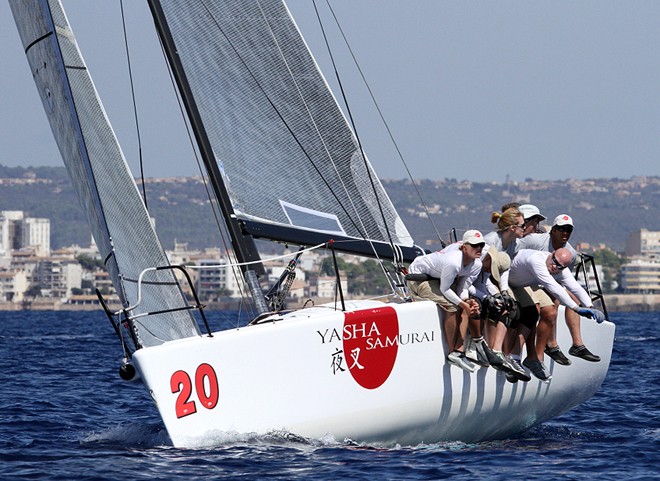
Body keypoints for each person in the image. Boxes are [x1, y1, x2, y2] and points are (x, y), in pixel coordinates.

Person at [508, 247, 606, 381]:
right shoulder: (536, 261)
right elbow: (553, 287)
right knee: (528, 310)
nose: (554, 266)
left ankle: (532, 359)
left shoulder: (560, 270)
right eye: (554, 261)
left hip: (521, 286)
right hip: (506, 280)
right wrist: (576, 309)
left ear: (564, 267)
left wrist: (590, 306)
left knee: (542, 312)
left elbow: (575, 287)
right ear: (552, 254)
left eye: (559, 266)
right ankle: (512, 357)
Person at [517, 214, 600, 363]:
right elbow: (513, 252)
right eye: (562, 229)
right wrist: (576, 308)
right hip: (525, 279)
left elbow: (571, 284)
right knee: (553, 299)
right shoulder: (535, 241)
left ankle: (577, 344)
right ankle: (551, 345)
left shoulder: (570, 254)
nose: (565, 233)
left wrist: (589, 306)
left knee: (570, 295)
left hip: (545, 281)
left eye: (568, 230)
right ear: (553, 230)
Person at [407, 230, 485, 372]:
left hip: (435, 279)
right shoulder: (454, 262)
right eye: (474, 245)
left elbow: (463, 287)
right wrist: (463, 304)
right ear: (464, 247)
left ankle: (459, 351)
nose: (479, 248)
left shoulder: (476, 265)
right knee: (453, 307)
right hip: (418, 278)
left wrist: (467, 302)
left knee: (464, 306)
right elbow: (445, 289)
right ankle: (451, 352)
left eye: (481, 245)